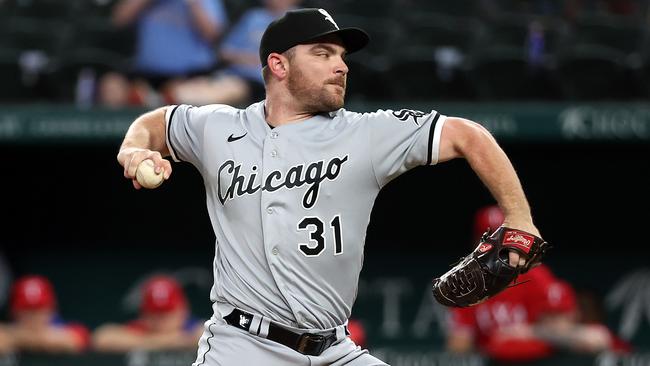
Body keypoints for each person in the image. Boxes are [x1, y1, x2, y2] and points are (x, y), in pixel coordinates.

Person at [116, 8, 541, 365]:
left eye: (341, 55)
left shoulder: (367, 134)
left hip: (334, 350)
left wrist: (519, 216)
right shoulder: (218, 127)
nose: (341, 65)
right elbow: (154, 122)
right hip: (241, 347)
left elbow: (469, 134)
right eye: (323, 53)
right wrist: (135, 152)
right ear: (279, 65)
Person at [446, 205, 617, 363]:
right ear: (477, 243)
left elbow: (563, 328)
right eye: (488, 239)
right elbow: (459, 344)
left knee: (597, 337)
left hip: (538, 361)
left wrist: (525, 332)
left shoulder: (535, 276)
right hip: (493, 361)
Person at [97, 0, 229, 108]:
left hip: (191, 76)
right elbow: (118, 20)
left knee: (187, 94)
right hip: (145, 77)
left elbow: (212, 34)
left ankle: (156, 101)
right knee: (111, 86)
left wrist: (194, 4)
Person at [170, 0, 301, 106]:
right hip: (231, 73)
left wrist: (256, 59)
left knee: (218, 91)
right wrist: (246, 58)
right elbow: (224, 51)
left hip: (260, 82)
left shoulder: (300, 20)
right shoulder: (253, 17)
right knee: (186, 86)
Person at [92, 275, 203, 352]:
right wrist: (164, 342)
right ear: (143, 314)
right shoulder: (141, 329)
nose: (160, 320)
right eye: (154, 313)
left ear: (183, 310)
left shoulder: (191, 327)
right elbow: (102, 338)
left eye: (167, 312)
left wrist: (186, 339)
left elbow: (206, 333)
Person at [0, 275, 90, 354]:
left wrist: (17, 338)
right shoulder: (6, 330)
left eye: (39, 309)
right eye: (26, 309)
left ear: (52, 308)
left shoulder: (69, 329)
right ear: (14, 311)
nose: (33, 316)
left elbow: (76, 340)